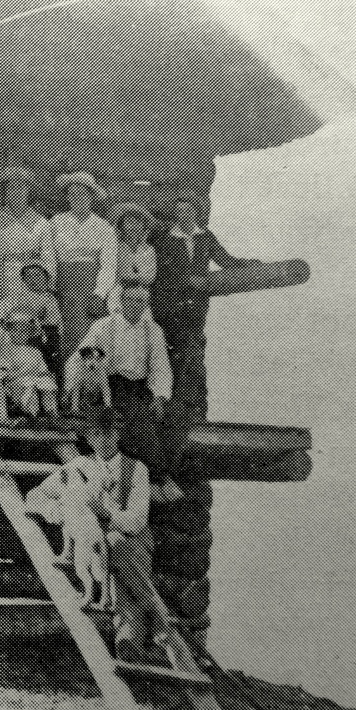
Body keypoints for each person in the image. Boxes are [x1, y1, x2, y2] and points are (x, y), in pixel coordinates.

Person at [25, 405, 166, 664]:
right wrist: (57, 511)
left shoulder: (136, 470)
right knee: (108, 545)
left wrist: (106, 514)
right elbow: (34, 496)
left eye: (110, 433)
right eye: (97, 434)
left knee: (115, 542)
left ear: (118, 434)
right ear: (89, 437)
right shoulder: (78, 467)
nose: (104, 439)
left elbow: (136, 521)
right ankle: (135, 632)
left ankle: (139, 624)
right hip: (95, 544)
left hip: (133, 542)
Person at [64, 282, 190, 495]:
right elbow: (79, 356)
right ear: (121, 301)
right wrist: (73, 387)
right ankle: (153, 479)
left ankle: (159, 477)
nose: (134, 305)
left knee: (176, 416)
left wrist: (159, 396)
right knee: (135, 419)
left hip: (140, 386)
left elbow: (160, 365)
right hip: (109, 384)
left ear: (146, 304)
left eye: (140, 301)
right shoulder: (104, 325)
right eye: (130, 299)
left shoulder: (153, 330)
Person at [149, 192, 258, 416]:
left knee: (194, 352)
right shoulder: (165, 238)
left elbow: (226, 260)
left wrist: (248, 264)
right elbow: (159, 272)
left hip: (196, 307)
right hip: (170, 305)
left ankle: (194, 409)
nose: (183, 215)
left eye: (188, 211)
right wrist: (187, 280)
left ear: (197, 213)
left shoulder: (205, 237)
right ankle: (175, 407)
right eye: (179, 212)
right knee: (176, 351)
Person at [0, 166, 53, 340]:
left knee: (25, 330)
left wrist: (43, 286)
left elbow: (48, 259)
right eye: (11, 187)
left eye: (21, 187)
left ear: (28, 191)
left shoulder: (41, 223)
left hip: (29, 282)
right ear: (5, 192)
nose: (17, 192)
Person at [46, 172, 117, 361]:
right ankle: (63, 385)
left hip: (90, 288)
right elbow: (49, 256)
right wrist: (50, 285)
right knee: (62, 334)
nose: (77, 198)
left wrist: (99, 293)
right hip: (61, 286)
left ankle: (86, 387)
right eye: (72, 193)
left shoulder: (104, 227)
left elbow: (109, 265)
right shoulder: (56, 222)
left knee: (88, 336)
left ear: (91, 196)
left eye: (82, 193)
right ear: (67, 197)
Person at [0, 262, 61, 380]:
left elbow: (54, 323)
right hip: (21, 335)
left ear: (46, 277)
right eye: (28, 276)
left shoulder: (51, 298)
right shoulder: (18, 296)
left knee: (50, 352)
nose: (33, 280)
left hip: (44, 336)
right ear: (24, 280)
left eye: (37, 275)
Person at [0, 309, 59, 421]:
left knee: (48, 384)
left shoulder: (35, 352)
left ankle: (51, 413)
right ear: (10, 331)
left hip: (36, 379)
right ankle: (32, 415)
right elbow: (5, 374)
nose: (20, 334)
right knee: (29, 386)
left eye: (24, 331)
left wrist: (46, 374)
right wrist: (25, 373)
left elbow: (43, 370)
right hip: (16, 383)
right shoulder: (7, 350)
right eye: (16, 330)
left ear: (29, 334)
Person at [96, 203, 158, 314]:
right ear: (122, 225)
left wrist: (132, 277)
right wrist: (134, 278)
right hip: (118, 294)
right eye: (129, 222)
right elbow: (114, 273)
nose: (134, 227)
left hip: (141, 294)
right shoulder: (115, 247)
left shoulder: (148, 249)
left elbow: (150, 277)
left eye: (138, 222)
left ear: (144, 226)